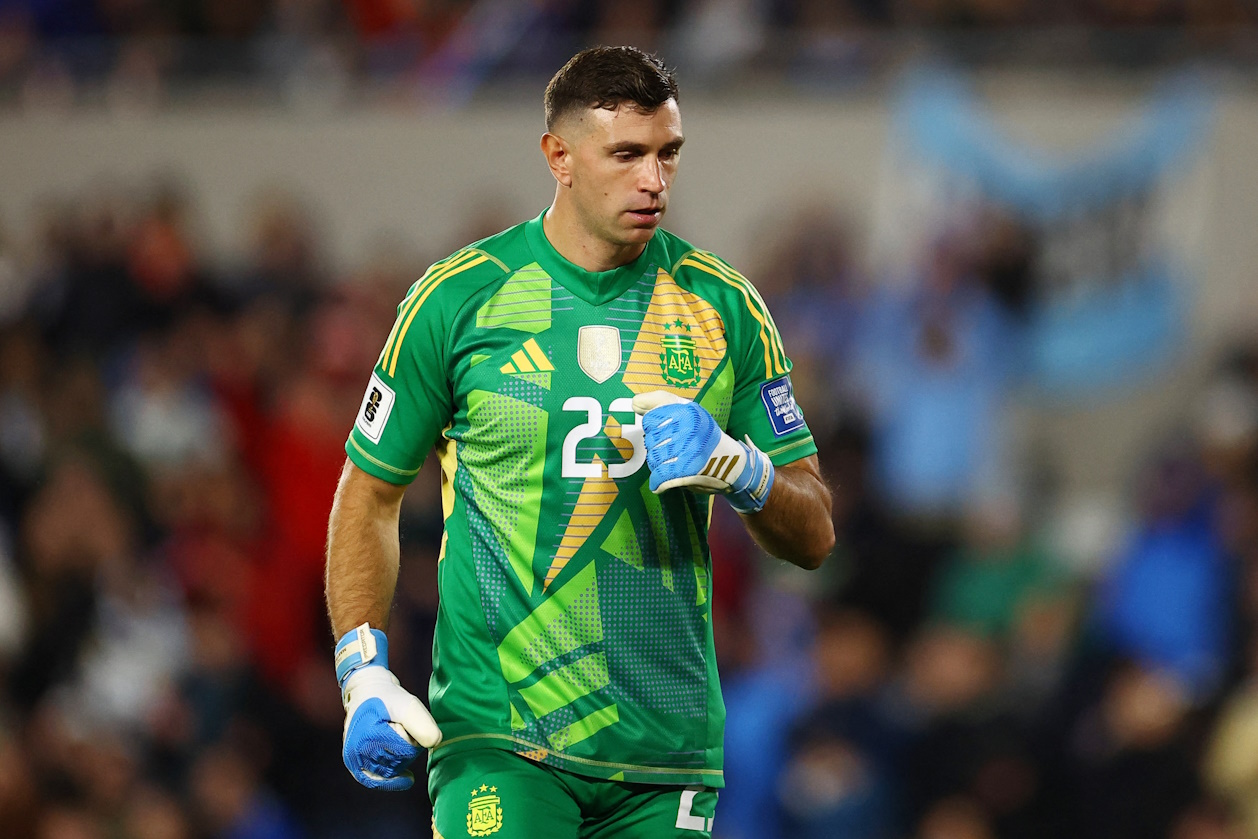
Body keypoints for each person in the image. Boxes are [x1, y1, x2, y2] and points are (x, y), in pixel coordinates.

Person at [324, 45, 834, 838]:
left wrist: (742, 466)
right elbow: (371, 491)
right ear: (557, 157)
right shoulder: (460, 300)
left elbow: (814, 534)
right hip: (502, 735)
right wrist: (362, 672)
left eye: (668, 154)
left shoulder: (724, 307)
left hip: (665, 753)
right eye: (626, 155)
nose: (654, 181)